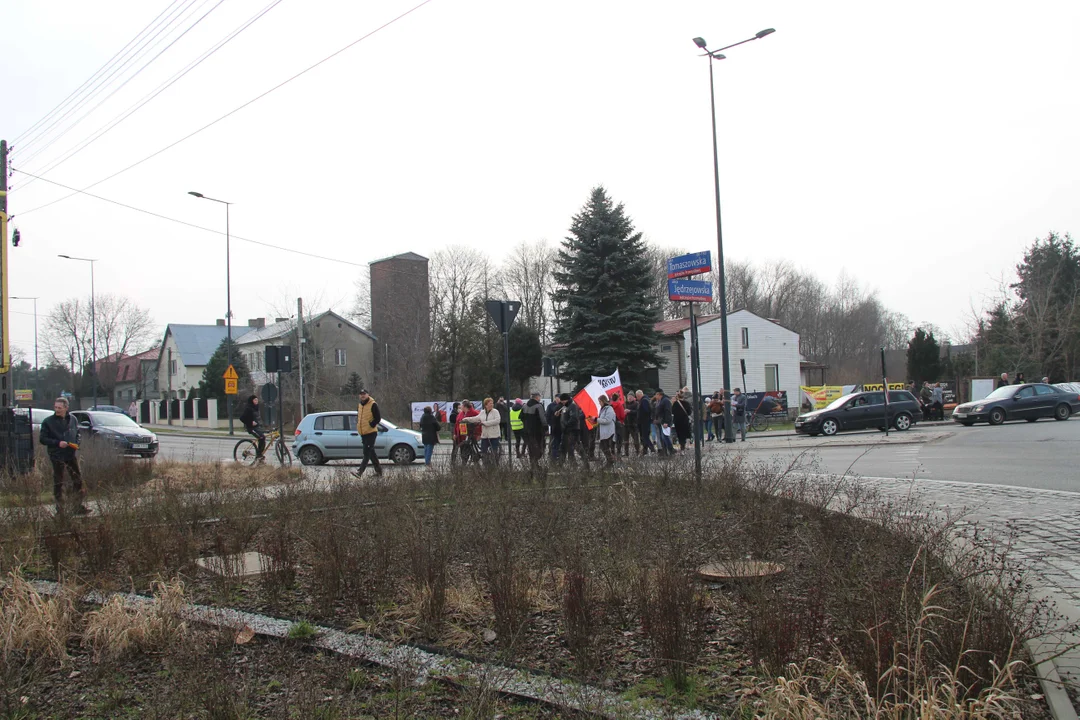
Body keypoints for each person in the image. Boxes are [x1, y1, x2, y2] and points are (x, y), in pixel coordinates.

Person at [39, 397, 87, 514]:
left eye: (60, 408)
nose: (57, 410)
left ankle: (77, 506)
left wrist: (77, 443)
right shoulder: (48, 422)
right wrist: (57, 443)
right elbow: (43, 439)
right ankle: (60, 509)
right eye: (55, 407)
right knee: (58, 481)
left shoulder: (73, 420)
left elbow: (77, 433)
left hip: (70, 454)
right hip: (56, 455)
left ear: (66, 408)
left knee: (77, 479)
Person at [355, 389, 383, 477]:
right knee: (371, 453)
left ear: (368, 395)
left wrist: (372, 424)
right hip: (363, 432)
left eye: (364, 394)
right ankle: (379, 472)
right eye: (361, 394)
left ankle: (360, 472)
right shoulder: (360, 405)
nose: (363, 396)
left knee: (366, 452)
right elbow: (359, 416)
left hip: (371, 432)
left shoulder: (373, 404)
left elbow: (378, 418)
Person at [465, 397, 502, 462]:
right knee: (484, 452)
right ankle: (486, 466)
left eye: (492, 403)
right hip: (485, 435)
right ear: (486, 405)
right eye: (490, 403)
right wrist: (466, 419)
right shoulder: (482, 412)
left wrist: (485, 423)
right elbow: (476, 418)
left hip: (494, 435)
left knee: (494, 452)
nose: (492, 405)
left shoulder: (495, 412)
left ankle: (495, 465)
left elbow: (497, 421)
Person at [520, 390, 547, 474]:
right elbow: (543, 419)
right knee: (541, 447)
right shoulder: (539, 406)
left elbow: (520, 417)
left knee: (531, 448)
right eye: (539, 396)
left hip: (527, 431)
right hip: (537, 431)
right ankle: (536, 464)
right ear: (537, 397)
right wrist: (545, 428)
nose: (540, 398)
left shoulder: (524, 406)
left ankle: (533, 465)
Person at [559, 393, 589, 467]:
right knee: (563, 448)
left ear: (567, 399)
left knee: (573, 447)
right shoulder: (565, 407)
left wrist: (566, 425)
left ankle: (581, 464)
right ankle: (560, 465)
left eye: (563, 400)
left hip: (572, 431)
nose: (562, 402)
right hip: (566, 431)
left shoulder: (572, 406)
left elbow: (574, 418)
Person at [239, 395, 266, 462]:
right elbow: (242, 418)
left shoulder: (256, 408)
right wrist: (250, 422)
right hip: (251, 428)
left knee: (263, 439)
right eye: (255, 400)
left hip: (257, 427)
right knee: (261, 437)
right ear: (252, 401)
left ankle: (260, 455)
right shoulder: (248, 408)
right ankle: (259, 455)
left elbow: (258, 418)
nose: (256, 401)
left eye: (257, 400)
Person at [454, 400, 481, 465]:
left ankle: (473, 463)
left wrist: (479, 434)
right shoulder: (461, 414)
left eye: (462, 406)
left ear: (465, 406)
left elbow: (479, 424)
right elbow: (457, 424)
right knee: (463, 450)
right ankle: (465, 464)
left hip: (471, 435)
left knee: (471, 449)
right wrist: (455, 433)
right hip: (461, 435)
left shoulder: (474, 413)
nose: (460, 407)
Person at [595, 394, 617, 470]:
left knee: (606, 447)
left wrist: (596, 419)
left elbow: (607, 420)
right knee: (603, 446)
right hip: (603, 432)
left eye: (600, 401)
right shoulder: (602, 409)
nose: (599, 403)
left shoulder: (609, 409)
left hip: (609, 432)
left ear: (603, 401)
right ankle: (609, 461)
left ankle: (610, 461)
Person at [652, 389, 674, 456]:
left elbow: (667, 412)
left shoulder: (665, 401)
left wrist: (666, 422)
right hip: (661, 421)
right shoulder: (661, 401)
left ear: (659, 394)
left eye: (656, 395)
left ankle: (671, 449)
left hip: (665, 421)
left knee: (664, 436)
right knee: (662, 437)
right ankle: (666, 451)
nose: (655, 396)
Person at [636, 390, 655, 455]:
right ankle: (645, 450)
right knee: (644, 437)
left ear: (639, 395)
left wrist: (641, 416)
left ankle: (652, 449)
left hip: (644, 422)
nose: (637, 398)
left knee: (645, 436)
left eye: (637, 396)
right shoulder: (645, 400)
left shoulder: (644, 401)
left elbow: (646, 411)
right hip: (644, 422)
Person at [623, 391, 640, 456]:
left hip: (633, 424)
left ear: (633, 397)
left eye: (631, 397)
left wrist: (630, 411)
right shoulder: (625, 404)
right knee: (625, 440)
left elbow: (638, 412)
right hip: (626, 424)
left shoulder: (636, 404)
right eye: (628, 397)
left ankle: (637, 451)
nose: (629, 398)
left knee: (635, 439)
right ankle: (626, 453)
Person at [547, 395, 563, 461]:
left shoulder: (563, 406)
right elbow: (547, 415)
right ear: (555, 399)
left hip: (562, 427)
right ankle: (552, 454)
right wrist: (551, 423)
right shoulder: (551, 406)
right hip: (555, 427)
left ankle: (559, 454)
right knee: (553, 441)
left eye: (559, 399)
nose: (558, 400)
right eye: (557, 399)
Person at [610, 391, 627, 456]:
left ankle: (612, 452)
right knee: (619, 438)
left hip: (612, 423)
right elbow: (622, 415)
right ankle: (619, 452)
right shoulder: (620, 405)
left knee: (613, 438)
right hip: (619, 423)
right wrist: (624, 414)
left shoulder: (610, 405)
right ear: (618, 398)